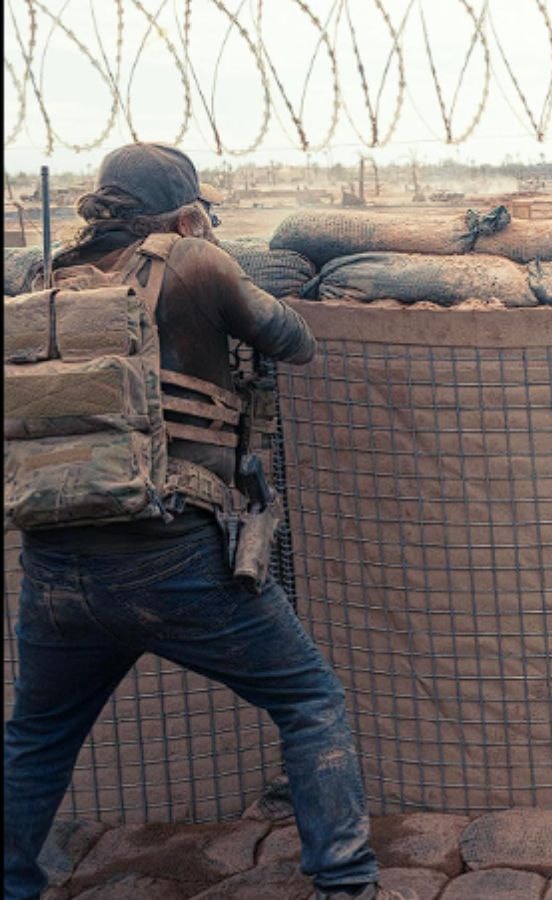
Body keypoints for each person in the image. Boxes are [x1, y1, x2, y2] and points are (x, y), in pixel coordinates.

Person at [2, 144, 399, 900]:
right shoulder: (194, 261)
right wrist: (212, 250)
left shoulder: (47, 278)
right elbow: (294, 340)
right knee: (310, 700)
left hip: (55, 567)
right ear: (185, 211)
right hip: (171, 554)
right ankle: (347, 885)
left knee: (37, 740)